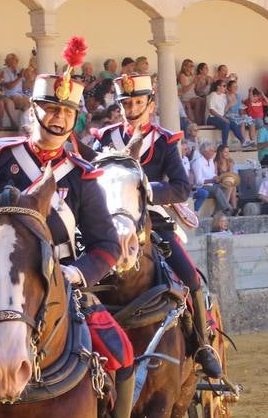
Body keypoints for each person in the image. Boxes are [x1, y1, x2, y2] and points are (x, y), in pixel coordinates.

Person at [0, 37, 145, 418]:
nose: (58, 120)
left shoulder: (82, 175)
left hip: (57, 287)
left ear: (74, 120)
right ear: (33, 112)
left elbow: (104, 246)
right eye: (50, 111)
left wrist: (78, 274)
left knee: (120, 352)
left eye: (66, 114)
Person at [88, 70, 225, 381]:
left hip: (152, 222)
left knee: (191, 278)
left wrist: (147, 191)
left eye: (138, 102)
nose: (132, 108)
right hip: (107, 224)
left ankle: (202, 345)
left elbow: (181, 188)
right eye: (126, 103)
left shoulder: (163, 141)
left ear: (149, 103)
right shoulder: (105, 138)